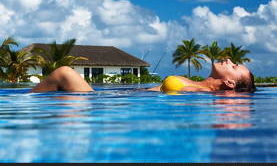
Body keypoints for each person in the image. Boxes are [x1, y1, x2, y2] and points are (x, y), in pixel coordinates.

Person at [31, 59, 256, 93]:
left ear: (229, 82)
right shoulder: (199, 86)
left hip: (101, 104)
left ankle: (25, 99)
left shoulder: (201, 91)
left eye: (234, 65)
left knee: (65, 72)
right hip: (116, 99)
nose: (228, 60)